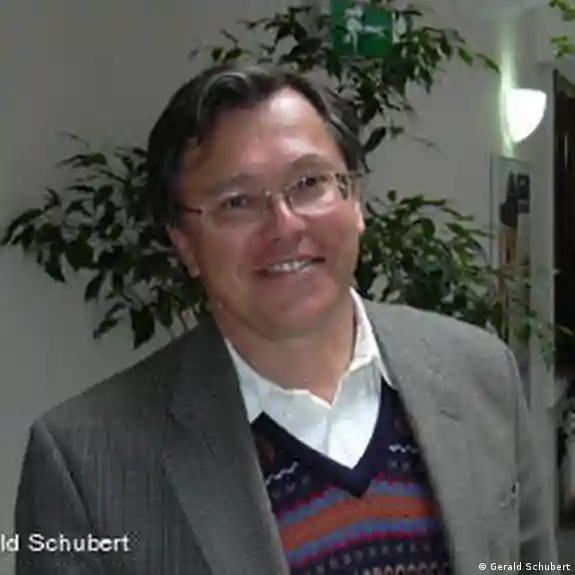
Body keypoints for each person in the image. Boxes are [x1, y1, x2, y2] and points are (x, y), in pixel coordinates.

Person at [14, 63, 557, 574]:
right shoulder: (86, 461)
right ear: (184, 243)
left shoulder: (480, 373)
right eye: (236, 202)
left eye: (309, 183)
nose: (284, 226)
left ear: (356, 199)